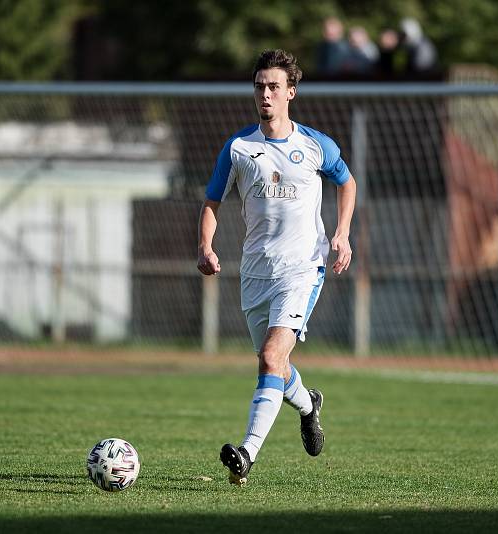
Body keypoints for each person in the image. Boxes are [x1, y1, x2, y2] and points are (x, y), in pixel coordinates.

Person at [198, 49, 357, 485]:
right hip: (255, 273)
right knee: (276, 365)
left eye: (273, 87)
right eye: (259, 86)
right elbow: (212, 201)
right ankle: (309, 405)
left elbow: (347, 182)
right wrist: (206, 246)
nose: (265, 94)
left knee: (270, 357)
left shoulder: (316, 145)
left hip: (303, 269)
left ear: (291, 92)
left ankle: (246, 453)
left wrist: (341, 233)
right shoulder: (239, 147)